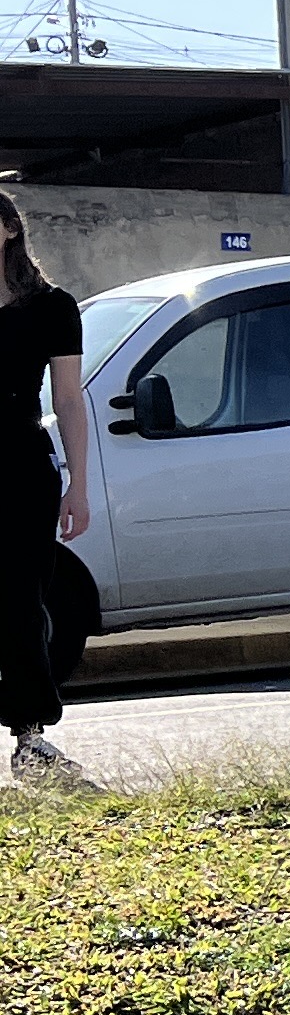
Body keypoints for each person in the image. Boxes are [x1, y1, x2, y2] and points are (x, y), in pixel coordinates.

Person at [1, 187, 99, 789]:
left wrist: (78, 487)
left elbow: (67, 400)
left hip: (18, 465)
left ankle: (30, 739)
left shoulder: (53, 307)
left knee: (18, 602)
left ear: (9, 229)